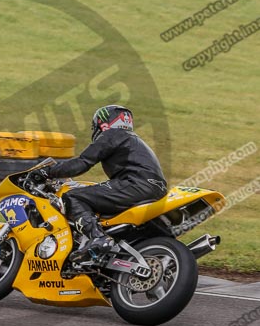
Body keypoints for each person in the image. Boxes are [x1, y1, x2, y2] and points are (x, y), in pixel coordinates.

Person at [32, 105, 168, 263]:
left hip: (135, 185)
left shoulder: (112, 134)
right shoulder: (134, 140)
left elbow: (81, 163)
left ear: (102, 123)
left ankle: (98, 238)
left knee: (72, 196)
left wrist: (47, 171)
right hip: (156, 189)